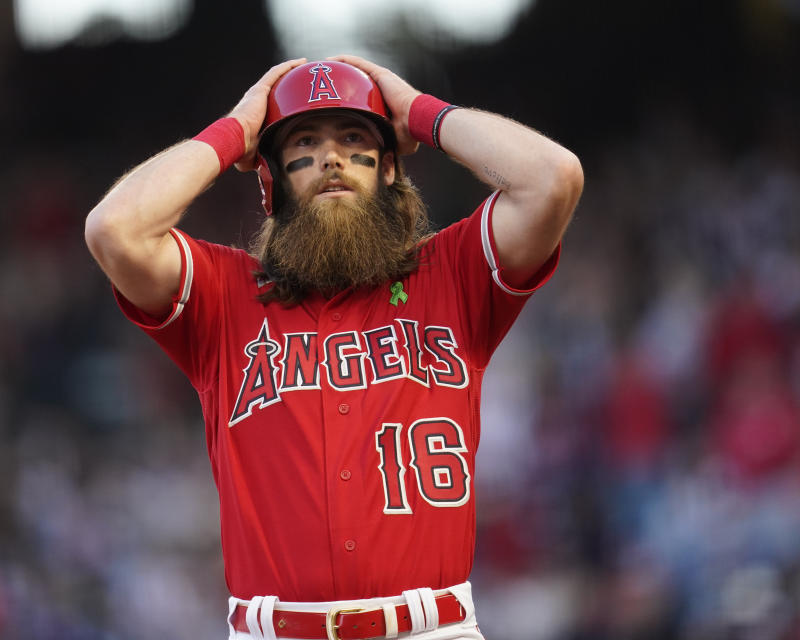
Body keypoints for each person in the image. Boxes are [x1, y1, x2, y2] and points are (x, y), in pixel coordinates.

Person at [85, 55, 583, 640]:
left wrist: (415, 108)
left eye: (354, 137)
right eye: (304, 141)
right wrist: (235, 131)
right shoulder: (223, 298)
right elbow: (113, 230)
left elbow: (555, 178)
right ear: (271, 181)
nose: (332, 158)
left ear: (389, 168)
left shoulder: (453, 275)